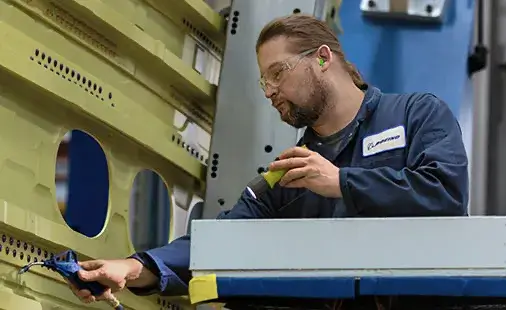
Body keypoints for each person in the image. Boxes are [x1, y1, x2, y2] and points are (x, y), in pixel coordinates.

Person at [70, 14, 469, 304]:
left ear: (324, 58)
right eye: (264, 81)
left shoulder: (417, 115)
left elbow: (444, 195)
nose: (269, 91)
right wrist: (133, 268)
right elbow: (221, 241)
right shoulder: (289, 174)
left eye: (278, 73)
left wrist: (341, 182)